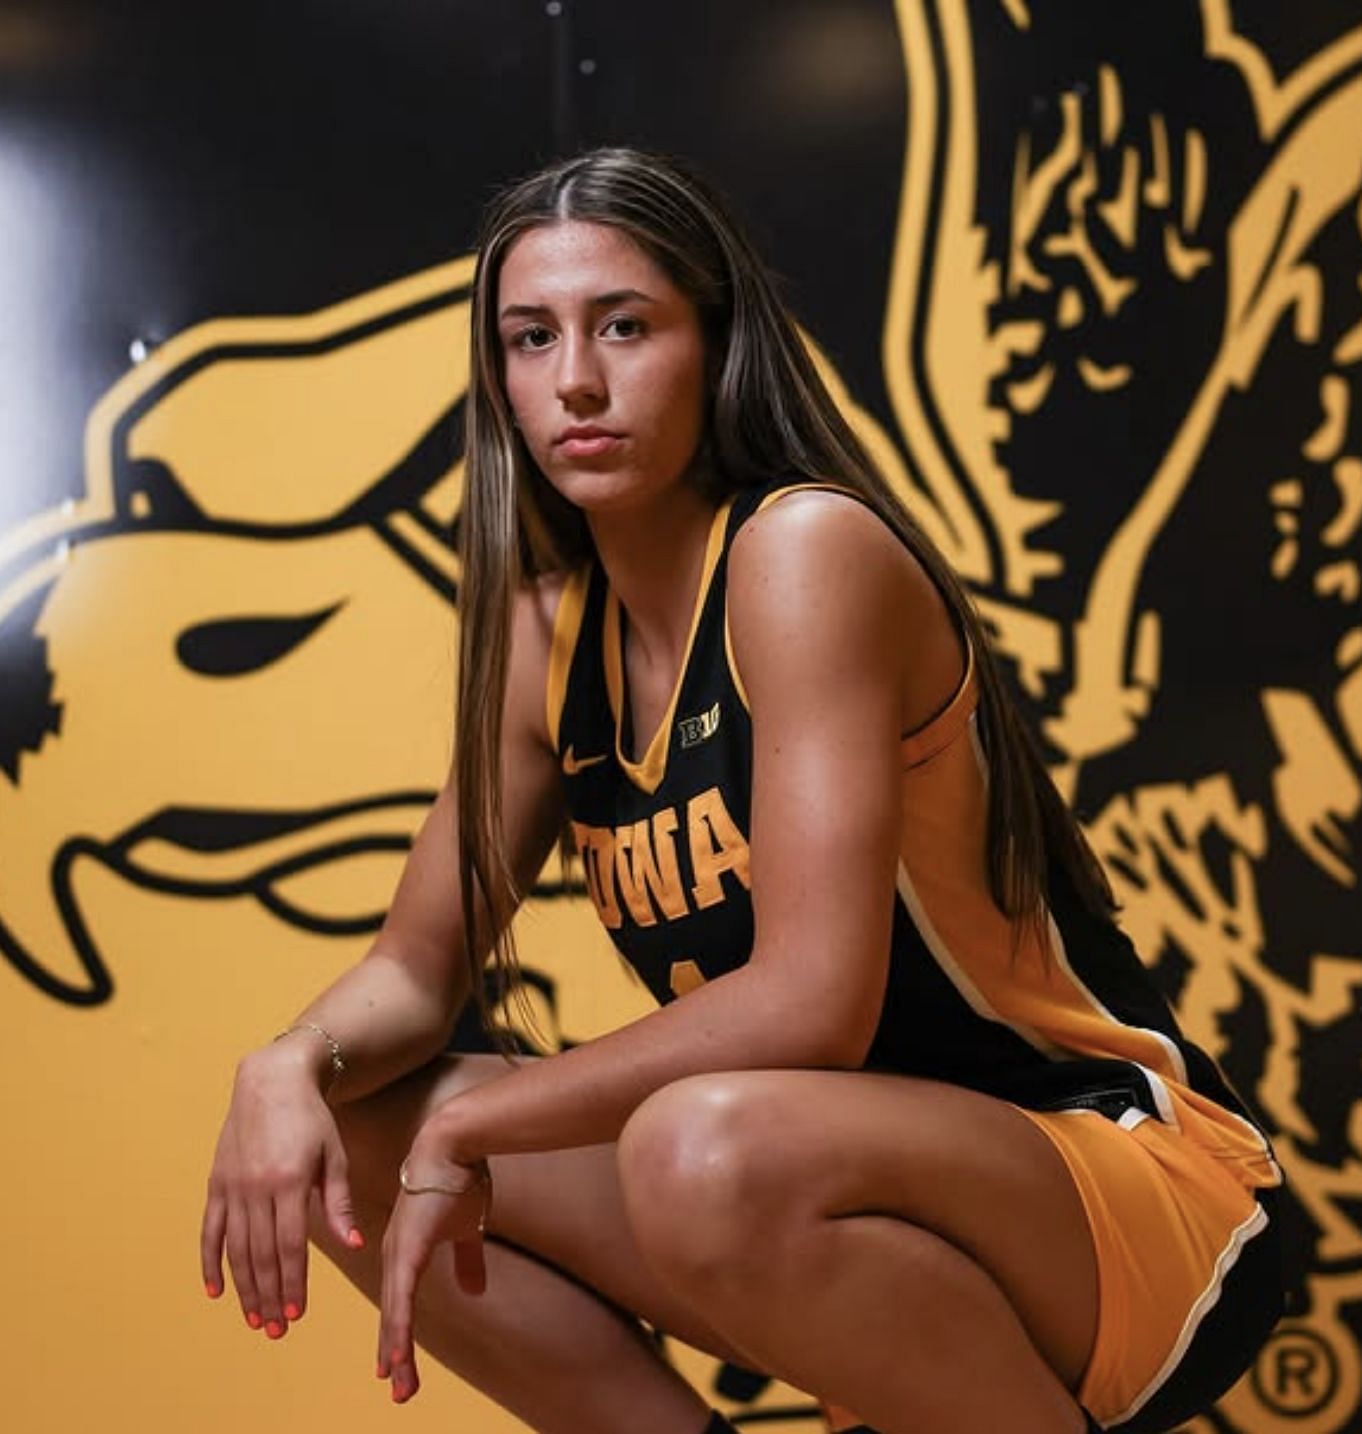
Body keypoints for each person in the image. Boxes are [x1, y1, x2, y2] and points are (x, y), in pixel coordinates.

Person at [199, 147, 1287, 1434]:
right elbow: (414, 973)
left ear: (716, 347)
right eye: (530, 339)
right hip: (820, 1191)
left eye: (625, 327)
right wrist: (286, 1067)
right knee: (365, 1128)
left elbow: (814, 1002)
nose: (577, 382)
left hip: (1115, 1189)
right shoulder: (549, 642)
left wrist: (480, 1130)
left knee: (689, 1146)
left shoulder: (803, 550)